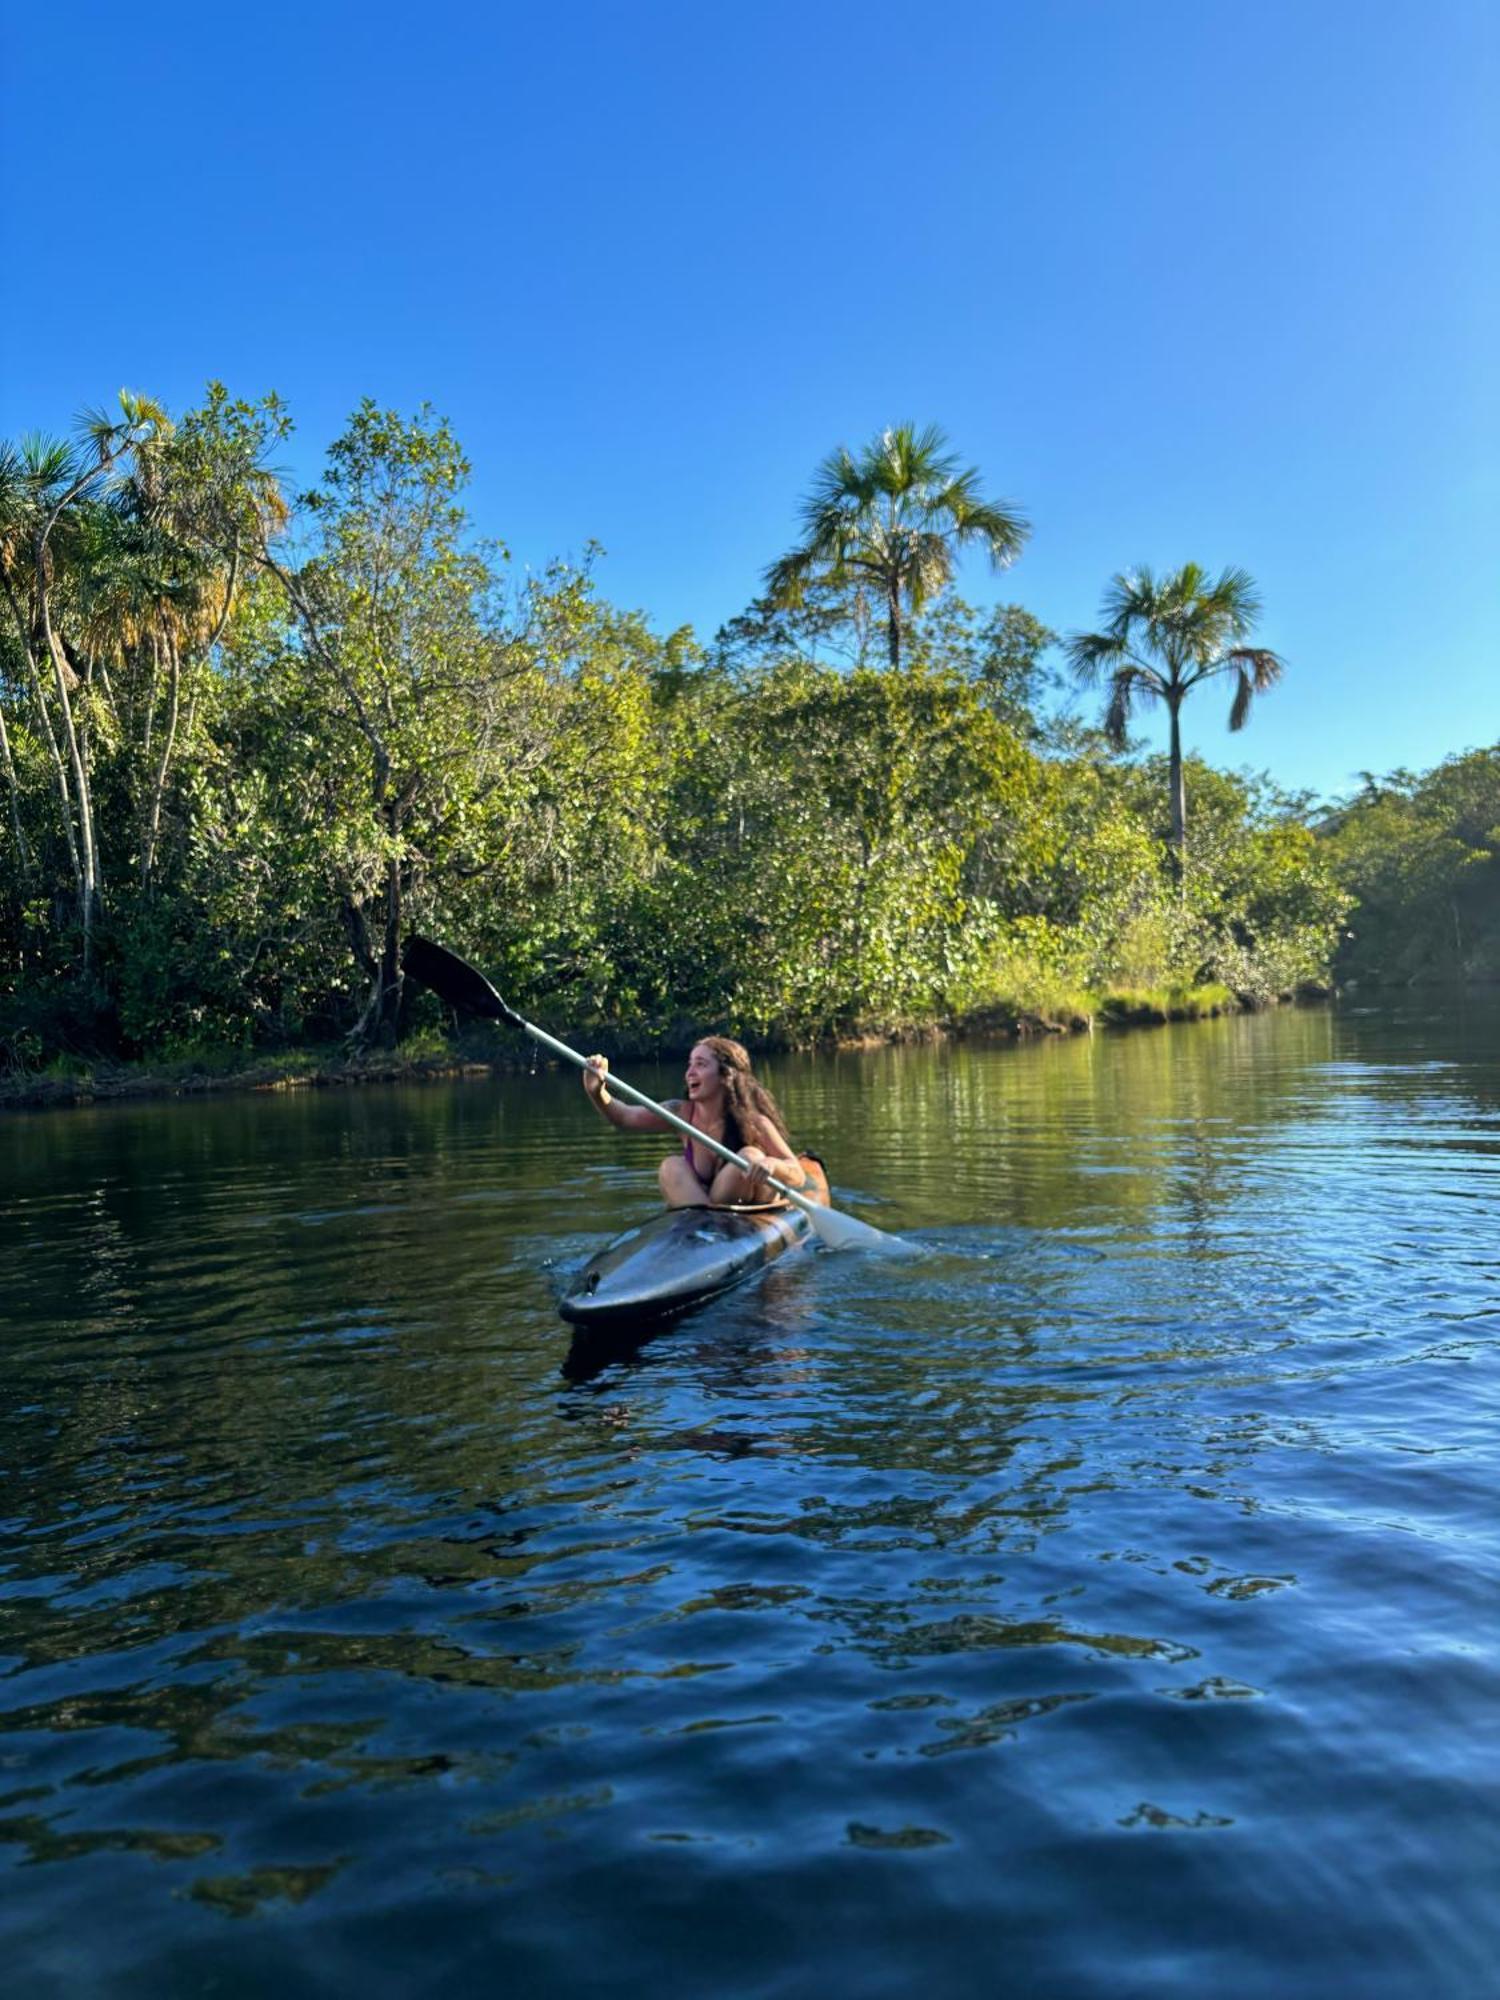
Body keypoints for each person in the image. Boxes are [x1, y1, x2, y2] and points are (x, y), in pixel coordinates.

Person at [583, 1036, 810, 1208]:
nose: (689, 1073)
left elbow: (797, 1175)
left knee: (750, 1156)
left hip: (749, 1211)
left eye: (700, 1064)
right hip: (704, 1212)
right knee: (671, 1166)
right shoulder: (681, 1113)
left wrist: (772, 1165)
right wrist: (596, 1091)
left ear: (725, 1076)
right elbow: (624, 1117)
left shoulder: (754, 1122)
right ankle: (703, 1230)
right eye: (690, 1064)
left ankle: (712, 1227)